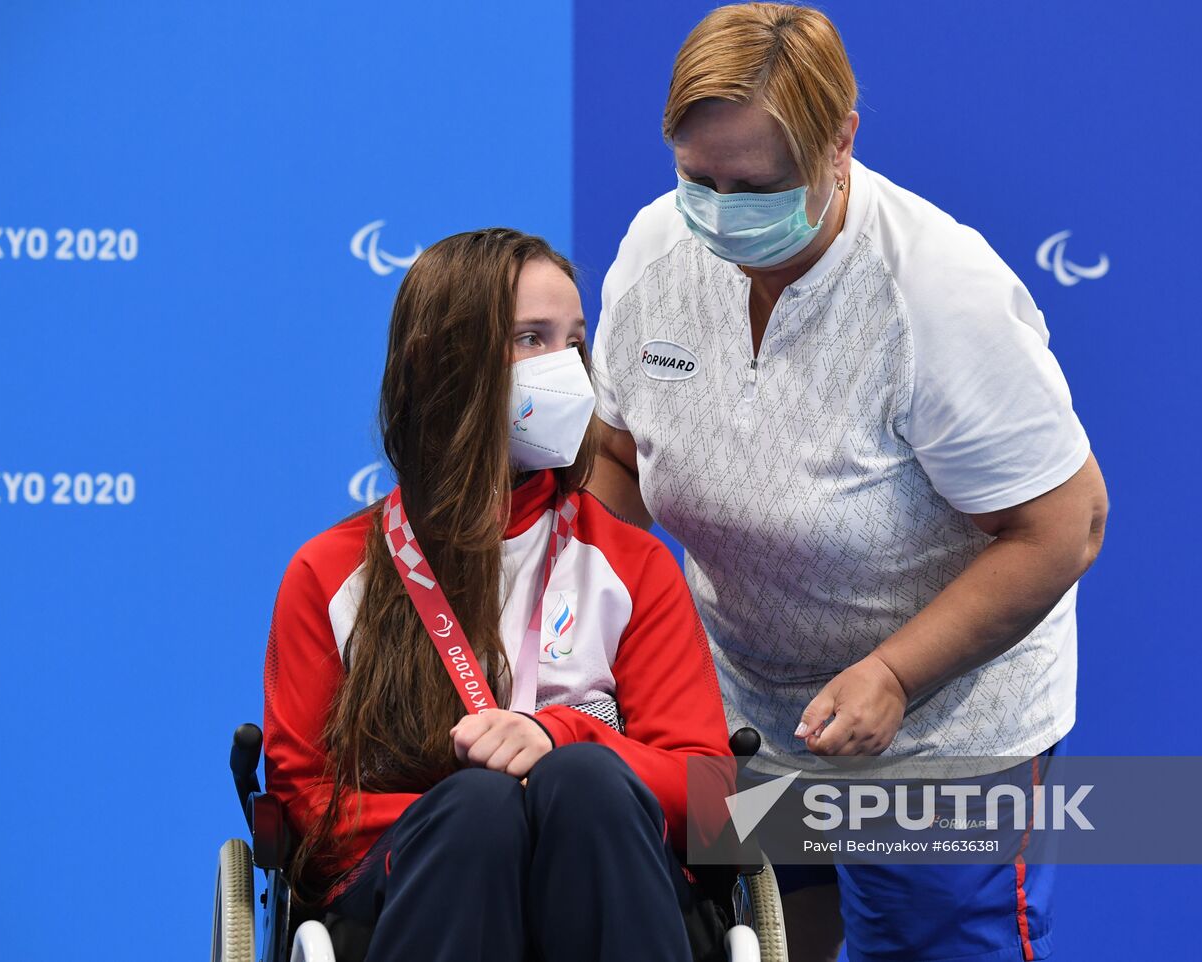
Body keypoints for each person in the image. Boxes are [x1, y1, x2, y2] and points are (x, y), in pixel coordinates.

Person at [587, 4, 1109, 961]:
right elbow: (613, 462)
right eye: (697, 178)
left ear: (840, 143)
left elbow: (1066, 526)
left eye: (756, 185)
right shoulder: (658, 251)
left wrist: (895, 674)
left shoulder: (939, 293)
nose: (720, 210)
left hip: (940, 735)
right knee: (771, 945)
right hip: (742, 715)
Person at [263, 228, 730, 962]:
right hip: (418, 883)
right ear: (442, 361)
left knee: (582, 783)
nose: (568, 369)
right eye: (530, 339)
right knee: (478, 813)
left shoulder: (633, 565)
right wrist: (475, 811)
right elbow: (308, 809)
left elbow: (712, 799)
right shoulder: (330, 574)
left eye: (574, 342)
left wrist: (564, 737)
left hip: (605, 867)